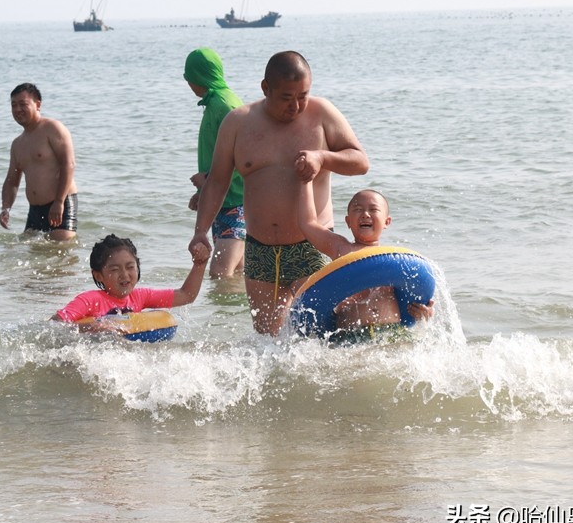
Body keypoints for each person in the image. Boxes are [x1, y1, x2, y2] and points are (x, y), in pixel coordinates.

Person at [188, 50, 369, 335]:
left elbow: (360, 162)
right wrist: (200, 232)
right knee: (269, 344)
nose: (296, 106)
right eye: (286, 97)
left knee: (320, 335)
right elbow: (218, 182)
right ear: (265, 88)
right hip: (260, 250)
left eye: (303, 95)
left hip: (311, 245)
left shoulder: (322, 114)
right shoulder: (238, 123)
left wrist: (323, 157)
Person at [297, 182, 434, 335]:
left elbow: (416, 296)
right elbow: (307, 223)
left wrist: (425, 312)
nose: (365, 214)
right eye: (358, 209)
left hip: (391, 334)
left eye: (373, 209)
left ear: (387, 222)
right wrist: (306, 182)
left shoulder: (393, 260)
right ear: (348, 221)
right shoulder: (341, 248)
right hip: (349, 337)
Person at [52, 234, 209, 331]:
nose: (124, 275)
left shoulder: (140, 297)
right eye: (114, 270)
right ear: (99, 275)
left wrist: (199, 265)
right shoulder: (89, 300)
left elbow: (186, 295)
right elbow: (55, 324)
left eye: (130, 267)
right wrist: (87, 327)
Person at [183, 47, 246, 278]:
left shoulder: (225, 106)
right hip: (222, 202)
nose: (188, 83)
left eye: (189, 77)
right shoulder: (212, 104)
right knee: (237, 274)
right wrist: (204, 192)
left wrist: (207, 180)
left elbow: (244, 160)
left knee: (220, 273)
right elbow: (220, 157)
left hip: (237, 203)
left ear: (198, 76)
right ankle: (237, 316)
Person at [0, 83, 78, 241]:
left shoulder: (53, 128)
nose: (17, 110)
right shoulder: (17, 144)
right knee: (35, 260)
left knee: (61, 255)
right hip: (35, 210)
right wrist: (6, 208)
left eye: (23, 104)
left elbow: (68, 165)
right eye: (14, 105)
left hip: (61, 204)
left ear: (38, 105)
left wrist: (59, 202)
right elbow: (12, 181)